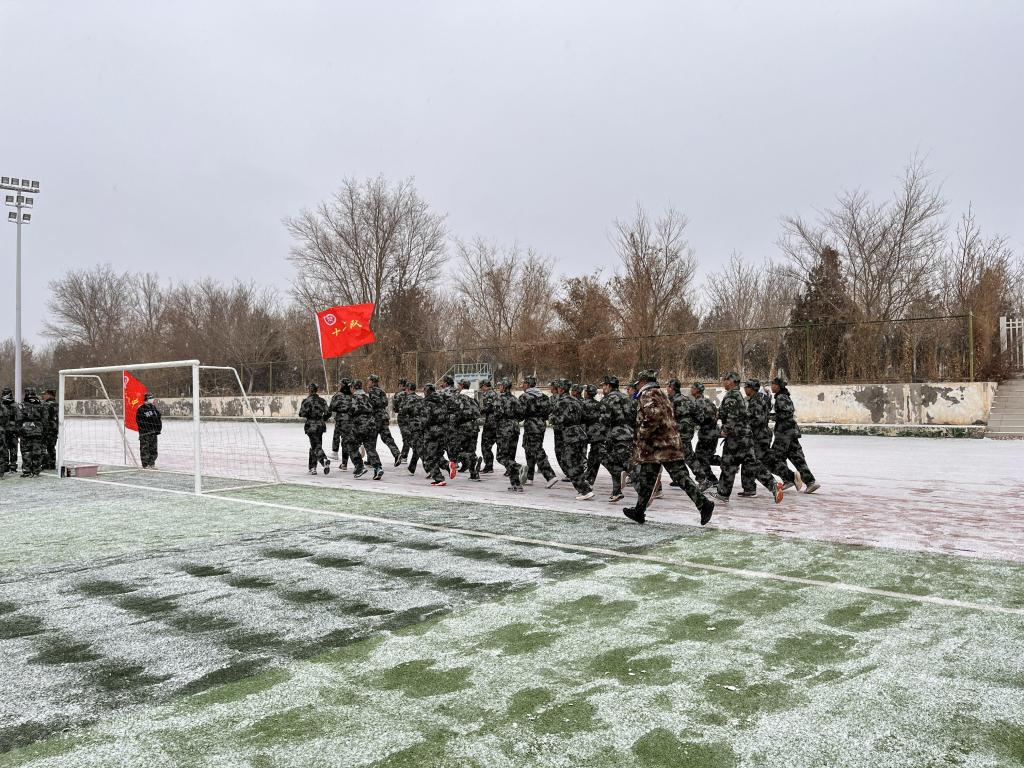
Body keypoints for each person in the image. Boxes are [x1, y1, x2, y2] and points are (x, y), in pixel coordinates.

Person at [622, 371, 714, 526]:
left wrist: (641, 434)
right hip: (663, 445)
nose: (637, 386)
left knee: (680, 477)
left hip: (660, 446)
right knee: (647, 479)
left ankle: (704, 504)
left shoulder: (648, 394)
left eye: (638, 383)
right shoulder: (661, 394)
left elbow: (653, 417)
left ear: (644, 381)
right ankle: (639, 511)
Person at [708, 372, 783, 505]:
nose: (724, 382)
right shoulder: (737, 395)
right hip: (746, 436)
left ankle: (723, 493)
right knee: (752, 464)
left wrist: (725, 431)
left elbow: (732, 416)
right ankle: (773, 485)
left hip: (735, 437)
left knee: (728, 464)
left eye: (725, 379)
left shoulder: (732, 395)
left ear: (731, 381)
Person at [768, 376, 820, 493]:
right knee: (797, 458)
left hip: (784, 433)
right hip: (790, 432)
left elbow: (786, 414)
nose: (772, 386)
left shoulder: (781, 397)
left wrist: (770, 416)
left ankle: (789, 479)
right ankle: (810, 482)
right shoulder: (784, 396)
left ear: (778, 386)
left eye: (773, 384)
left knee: (774, 458)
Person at [549, 380, 594, 500]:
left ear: (562, 389)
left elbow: (558, 419)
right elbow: (585, 417)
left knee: (569, 462)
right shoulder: (577, 401)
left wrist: (551, 417)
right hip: (580, 433)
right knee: (577, 462)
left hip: (569, 435)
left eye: (558, 388)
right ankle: (584, 485)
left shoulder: (561, 402)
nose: (557, 389)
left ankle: (584, 490)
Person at [599, 375, 634, 503]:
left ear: (609, 386)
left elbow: (604, 420)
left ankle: (646, 490)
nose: (602, 388)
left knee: (627, 465)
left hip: (616, 436)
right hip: (629, 433)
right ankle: (616, 491)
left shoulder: (608, 399)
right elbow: (633, 415)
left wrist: (602, 436)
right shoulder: (627, 398)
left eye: (604, 386)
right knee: (617, 464)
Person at [519, 376, 558, 488]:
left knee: (536, 450)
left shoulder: (525, 396)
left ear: (527, 385)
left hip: (531, 425)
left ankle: (550, 476)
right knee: (529, 449)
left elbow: (520, 412)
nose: (522, 386)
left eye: (524, 383)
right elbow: (549, 411)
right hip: (541, 424)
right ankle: (529, 477)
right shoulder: (544, 397)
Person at [740, 379, 773, 497]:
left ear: (752, 388)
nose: (745, 389)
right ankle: (749, 489)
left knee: (753, 462)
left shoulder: (756, 401)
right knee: (749, 462)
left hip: (759, 436)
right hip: (757, 435)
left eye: (746, 387)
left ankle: (773, 484)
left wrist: (744, 424)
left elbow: (758, 420)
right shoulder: (755, 399)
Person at [495, 377, 525, 492]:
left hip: (504, 429)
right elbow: (521, 415)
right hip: (514, 428)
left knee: (501, 457)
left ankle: (519, 467)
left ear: (504, 387)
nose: (499, 387)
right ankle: (516, 484)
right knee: (510, 457)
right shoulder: (514, 399)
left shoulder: (499, 398)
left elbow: (497, 414)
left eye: (500, 385)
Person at [666, 379, 696, 486]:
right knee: (678, 456)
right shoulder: (686, 399)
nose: (667, 389)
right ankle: (682, 478)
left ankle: (702, 478)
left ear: (672, 388)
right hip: (686, 430)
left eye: (668, 387)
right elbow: (693, 412)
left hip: (680, 432)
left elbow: (669, 417)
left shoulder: (674, 401)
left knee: (688, 456)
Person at [350, 380, 383, 480]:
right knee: (370, 448)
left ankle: (359, 467)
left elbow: (350, 411)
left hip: (359, 426)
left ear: (353, 388)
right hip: (371, 425)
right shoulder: (368, 397)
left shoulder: (353, 398)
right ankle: (378, 467)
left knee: (351, 445)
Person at [367, 374, 401, 466]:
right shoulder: (382, 391)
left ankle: (371, 460)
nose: (368, 382)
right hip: (383, 417)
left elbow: (372, 404)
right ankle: (397, 454)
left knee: (371, 440)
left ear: (373, 382)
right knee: (387, 438)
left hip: (375, 418)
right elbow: (385, 403)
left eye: (369, 381)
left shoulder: (372, 391)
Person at [690, 382, 719, 490]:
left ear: (697, 390)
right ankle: (725, 463)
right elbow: (716, 414)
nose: (691, 389)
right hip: (713, 432)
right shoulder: (708, 401)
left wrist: (691, 421)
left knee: (700, 457)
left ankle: (712, 479)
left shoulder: (698, 403)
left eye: (692, 387)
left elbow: (700, 419)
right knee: (707, 457)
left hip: (706, 434)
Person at [298, 383, 331, 476]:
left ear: (310, 390)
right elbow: (328, 413)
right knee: (316, 445)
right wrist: (322, 419)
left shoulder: (306, 401)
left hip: (311, 426)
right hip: (320, 425)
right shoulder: (322, 401)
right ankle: (313, 468)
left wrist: (310, 414)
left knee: (315, 446)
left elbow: (301, 413)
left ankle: (323, 460)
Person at [420, 383, 449, 487]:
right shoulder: (441, 400)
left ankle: (439, 478)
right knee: (437, 455)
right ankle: (448, 465)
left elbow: (425, 419)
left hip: (431, 433)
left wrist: (421, 428)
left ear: (427, 391)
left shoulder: (427, 402)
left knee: (429, 457)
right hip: (443, 431)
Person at [453, 379, 482, 481]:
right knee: (471, 449)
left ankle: (472, 458)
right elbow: (479, 411)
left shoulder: (460, 397)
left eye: (459, 385)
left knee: (458, 449)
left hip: (463, 427)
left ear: (462, 386)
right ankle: (473, 473)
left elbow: (457, 412)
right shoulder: (473, 397)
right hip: (474, 426)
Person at [16, 388, 45, 477]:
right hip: (38, 430)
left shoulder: (22, 405)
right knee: (37, 451)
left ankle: (27, 471)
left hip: (25, 431)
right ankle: (36, 470)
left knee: (26, 451)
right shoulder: (41, 405)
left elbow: (18, 419)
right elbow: (45, 419)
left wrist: (19, 430)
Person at [582, 384, 605, 487]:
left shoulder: (583, 404)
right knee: (594, 457)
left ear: (587, 393)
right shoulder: (599, 405)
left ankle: (583, 477)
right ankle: (590, 478)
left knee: (581, 455)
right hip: (598, 434)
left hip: (585, 433)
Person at [399, 382, 424, 475]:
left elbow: (402, 413)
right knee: (417, 446)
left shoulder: (406, 400)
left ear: (408, 389)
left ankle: (429, 467)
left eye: (406, 389)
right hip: (422, 425)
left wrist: (404, 428)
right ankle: (411, 468)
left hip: (412, 426)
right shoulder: (421, 399)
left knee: (417, 447)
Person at [134, 392, 163, 470]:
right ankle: (145, 464)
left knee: (153, 449)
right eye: (151, 398)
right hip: (145, 433)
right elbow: (139, 421)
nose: (152, 399)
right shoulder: (141, 409)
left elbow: (158, 418)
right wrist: (146, 429)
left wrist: (158, 428)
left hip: (153, 432)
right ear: (146, 399)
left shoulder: (153, 408)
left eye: (152, 398)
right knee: (145, 449)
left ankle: (151, 464)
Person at [328, 379, 350, 467]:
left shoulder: (338, 395)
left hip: (341, 419)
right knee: (346, 440)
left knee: (337, 435)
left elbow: (332, 407)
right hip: (350, 420)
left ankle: (335, 452)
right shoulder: (352, 395)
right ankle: (345, 462)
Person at [478, 380, 498, 474]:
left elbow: (489, 407)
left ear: (485, 386)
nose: (481, 389)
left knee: (485, 445)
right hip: (494, 423)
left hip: (490, 424)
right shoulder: (494, 393)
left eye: (482, 387)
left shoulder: (490, 394)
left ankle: (489, 466)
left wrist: (479, 410)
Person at [393, 378, 411, 465]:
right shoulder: (410, 393)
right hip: (410, 417)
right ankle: (404, 455)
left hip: (402, 418)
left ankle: (404, 455)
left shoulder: (398, 394)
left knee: (406, 437)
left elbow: (395, 409)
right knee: (408, 437)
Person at [40, 389, 59, 470]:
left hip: (47, 429)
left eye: (45, 394)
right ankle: (52, 463)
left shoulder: (46, 405)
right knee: (51, 447)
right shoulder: (57, 404)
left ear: (50, 395)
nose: (43, 396)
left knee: (43, 447)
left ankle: (45, 464)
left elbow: (44, 417)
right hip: (54, 429)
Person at [1, 387, 19, 472]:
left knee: (12, 448)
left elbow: (18, 418)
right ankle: (8, 465)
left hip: (11, 429)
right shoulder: (13, 405)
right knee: (6, 447)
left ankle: (12, 465)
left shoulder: (14, 405)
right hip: (6, 429)